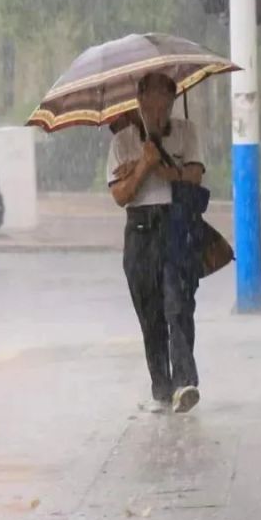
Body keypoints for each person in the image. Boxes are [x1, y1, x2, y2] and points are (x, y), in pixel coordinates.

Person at [107, 72, 205, 414]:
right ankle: (161, 387)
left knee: (178, 306)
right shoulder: (121, 142)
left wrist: (165, 170)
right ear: (140, 101)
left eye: (165, 104)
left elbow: (195, 175)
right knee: (150, 316)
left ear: (173, 101)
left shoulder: (186, 132)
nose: (158, 112)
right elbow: (120, 195)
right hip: (139, 231)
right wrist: (144, 165)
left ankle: (185, 382)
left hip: (176, 226)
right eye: (151, 105)